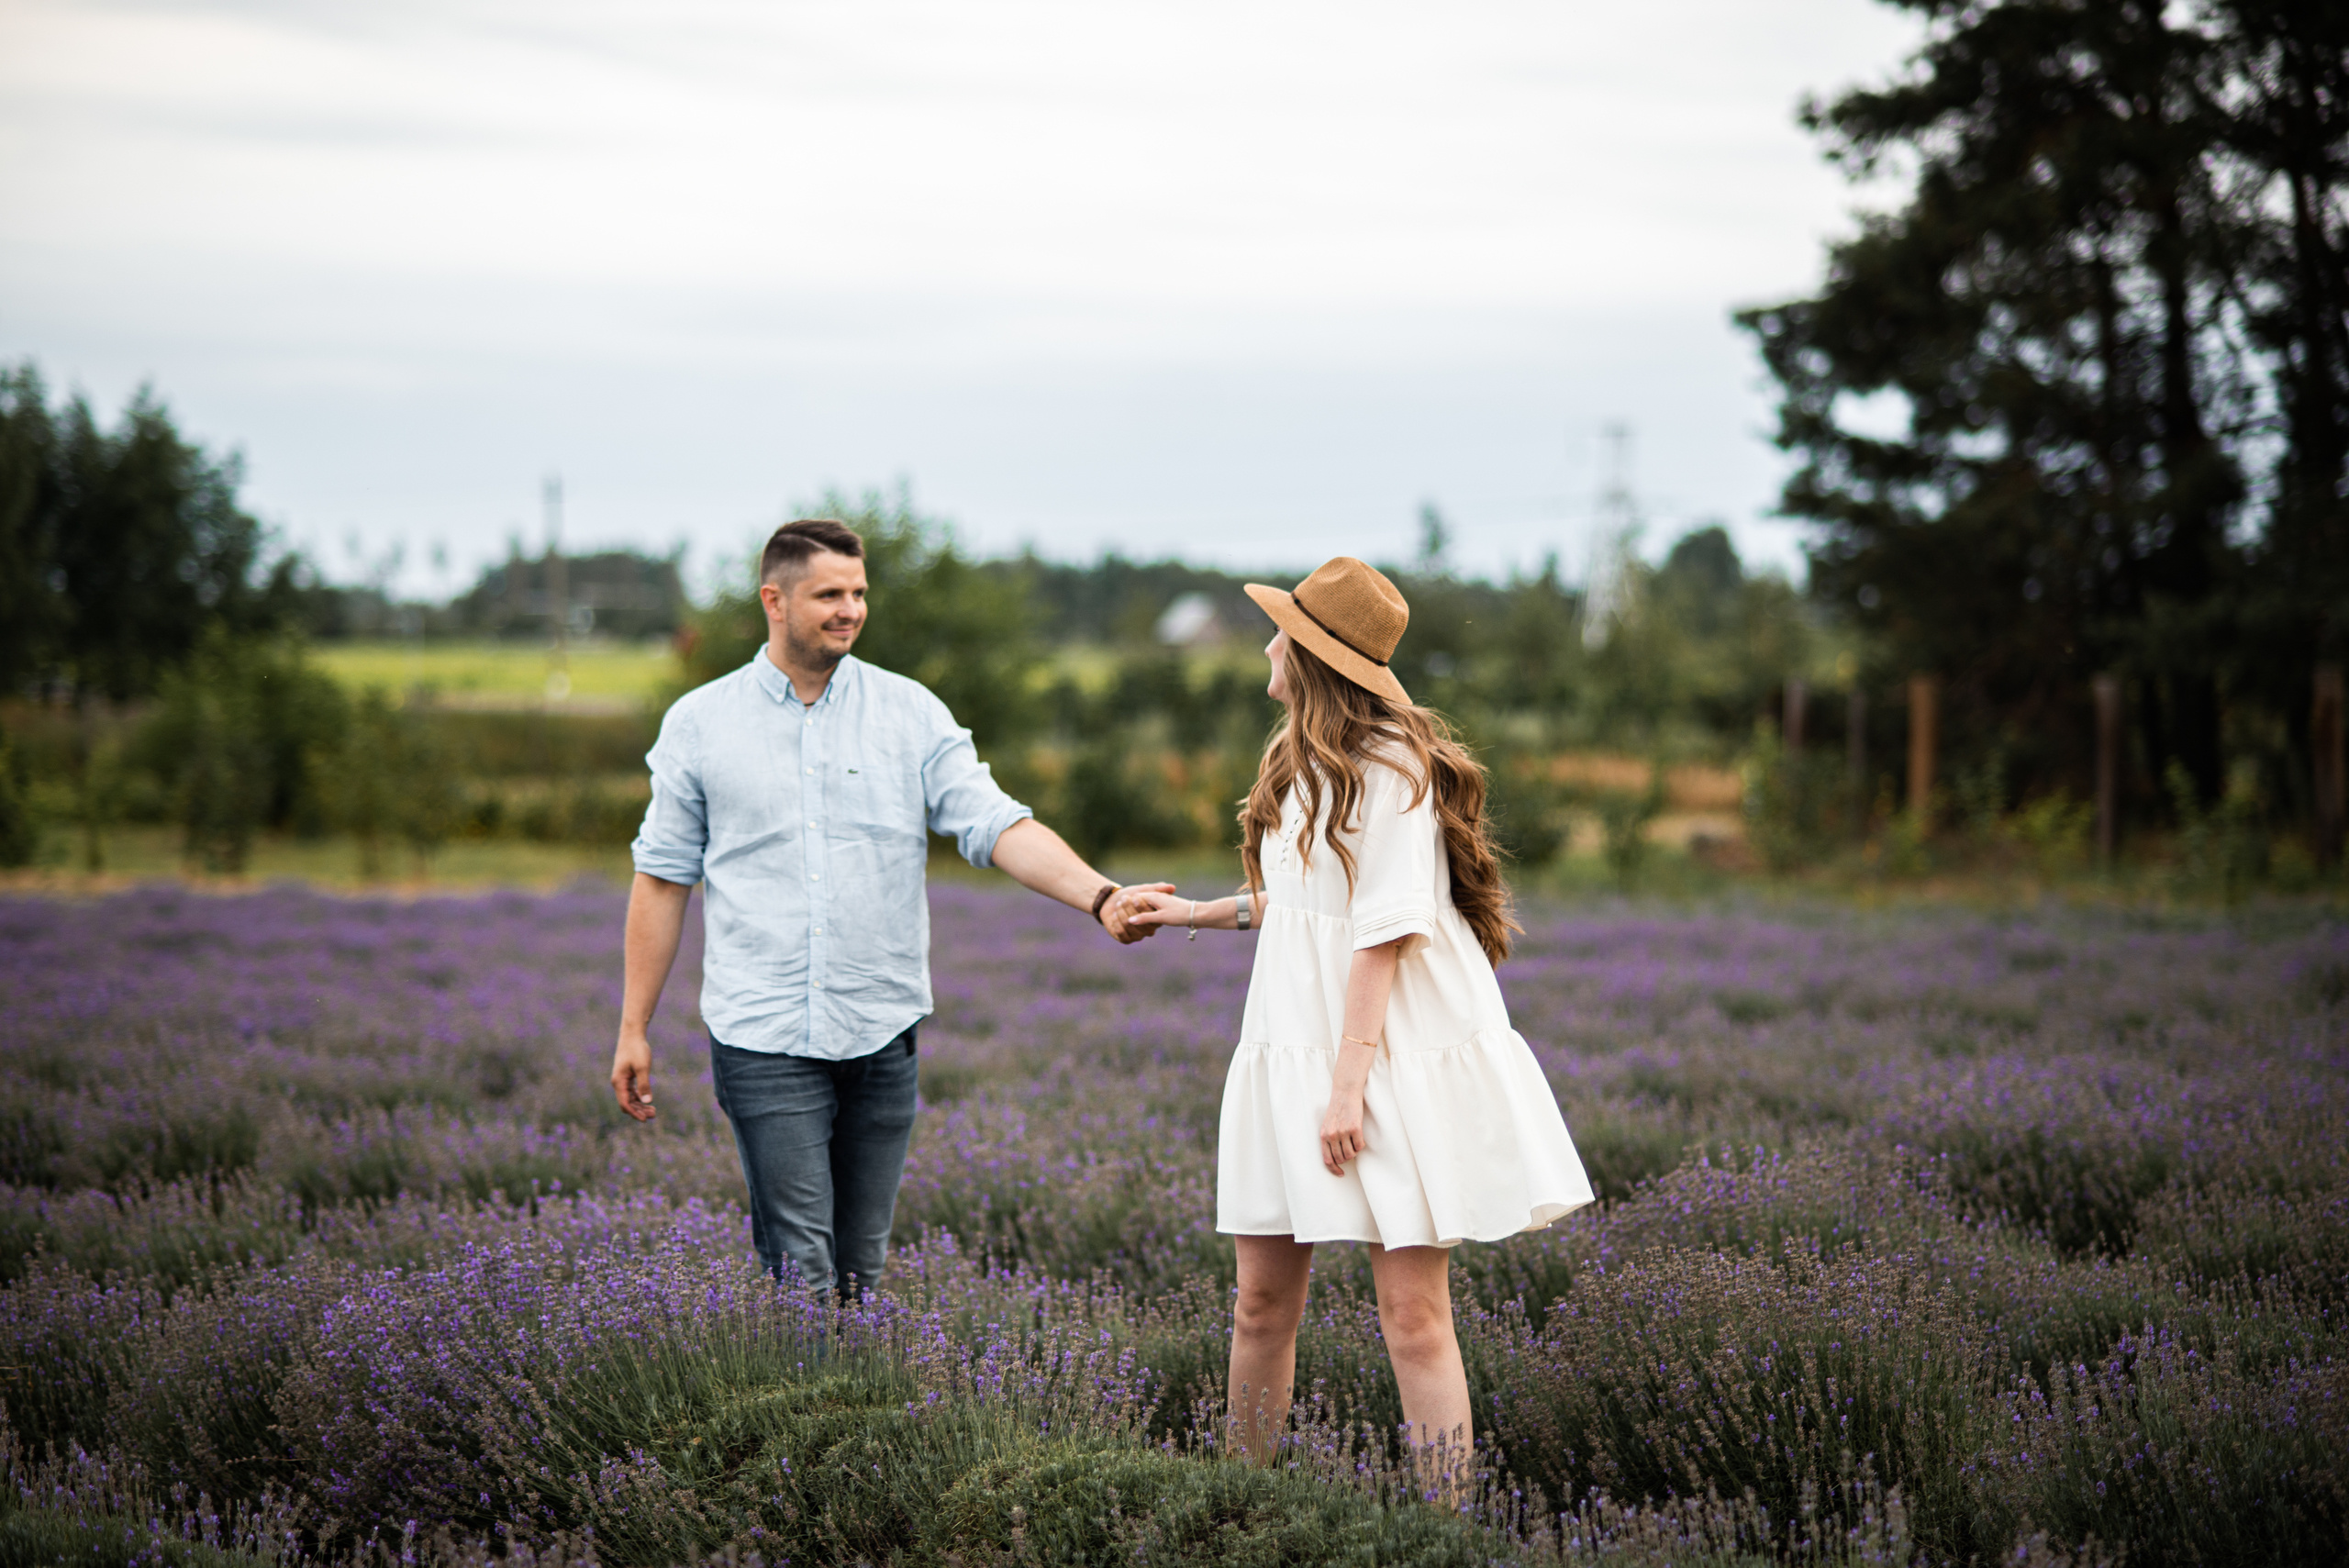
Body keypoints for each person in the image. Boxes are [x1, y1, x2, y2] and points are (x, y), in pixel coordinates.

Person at [612, 517, 1169, 1296]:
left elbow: (994, 821)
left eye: (859, 592)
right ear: (773, 599)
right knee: (799, 1272)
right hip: (762, 1033)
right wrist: (634, 1026)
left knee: (859, 1271)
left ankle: (852, 1412)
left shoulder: (910, 714)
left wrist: (1101, 895)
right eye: (828, 594)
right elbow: (663, 879)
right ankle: (800, 1416)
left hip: (880, 1029)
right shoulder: (701, 723)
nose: (850, 609)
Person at [1127, 556, 1593, 1478]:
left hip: (1376, 1064)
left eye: (1279, 628)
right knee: (1259, 1305)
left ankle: (1446, 1528)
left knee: (1413, 1317)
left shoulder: (1391, 770)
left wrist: (1347, 1089)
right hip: (1289, 1049)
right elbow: (1306, 905)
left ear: (1307, 654)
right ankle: (1239, 1499)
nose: (1264, 639)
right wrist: (1189, 913)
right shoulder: (1299, 761)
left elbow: (1380, 932)